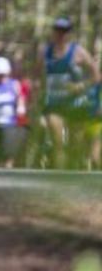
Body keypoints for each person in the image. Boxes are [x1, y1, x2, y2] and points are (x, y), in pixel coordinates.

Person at [34, 16, 101, 169]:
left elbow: (96, 76)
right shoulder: (45, 52)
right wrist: (37, 89)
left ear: (69, 34)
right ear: (53, 32)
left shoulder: (78, 52)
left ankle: (73, 176)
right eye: (58, 30)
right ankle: (59, 180)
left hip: (75, 103)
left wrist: (82, 86)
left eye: (64, 31)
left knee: (75, 144)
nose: (61, 34)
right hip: (54, 103)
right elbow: (36, 75)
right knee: (58, 142)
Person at [0, 56, 26, 168]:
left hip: (10, 124)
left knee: (8, 154)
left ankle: (8, 176)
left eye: (3, 75)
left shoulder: (14, 84)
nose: (1, 78)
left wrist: (21, 107)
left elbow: (20, 97)